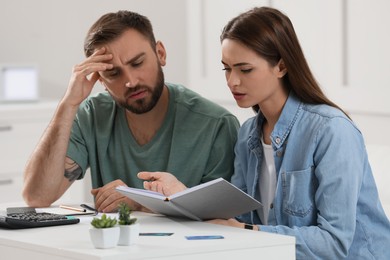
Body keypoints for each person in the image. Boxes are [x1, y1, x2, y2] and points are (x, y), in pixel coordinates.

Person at [141, 6, 390, 259]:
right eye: (226, 68)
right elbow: (237, 218)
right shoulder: (249, 133)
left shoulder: (332, 130)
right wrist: (183, 195)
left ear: (281, 66)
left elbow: (334, 243)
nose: (232, 81)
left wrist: (248, 232)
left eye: (245, 69)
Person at [22, 10, 240, 213]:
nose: (131, 81)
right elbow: (37, 197)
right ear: (101, 81)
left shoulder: (216, 124)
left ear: (160, 54)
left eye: (137, 63)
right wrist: (68, 104)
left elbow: (224, 220)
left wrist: (140, 202)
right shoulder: (92, 115)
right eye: (114, 73)